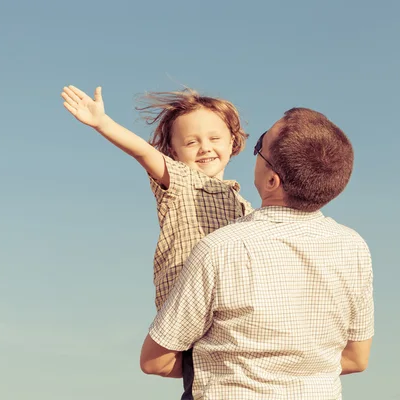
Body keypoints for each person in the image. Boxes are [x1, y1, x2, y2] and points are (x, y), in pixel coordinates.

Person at [139, 107, 374, 399]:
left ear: (272, 180)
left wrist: (235, 368)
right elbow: (356, 358)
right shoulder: (354, 249)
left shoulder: (220, 248)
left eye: (259, 144)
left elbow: (155, 361)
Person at [61, 85, 252, 398]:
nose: (204, 148)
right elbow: (143, 152)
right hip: (192, 315)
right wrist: (102, 123)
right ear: (174, 152)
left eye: (214, 138)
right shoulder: (180, 181)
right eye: (191, 142)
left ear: (233, 141)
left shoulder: (246, 208)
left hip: (230, 322)